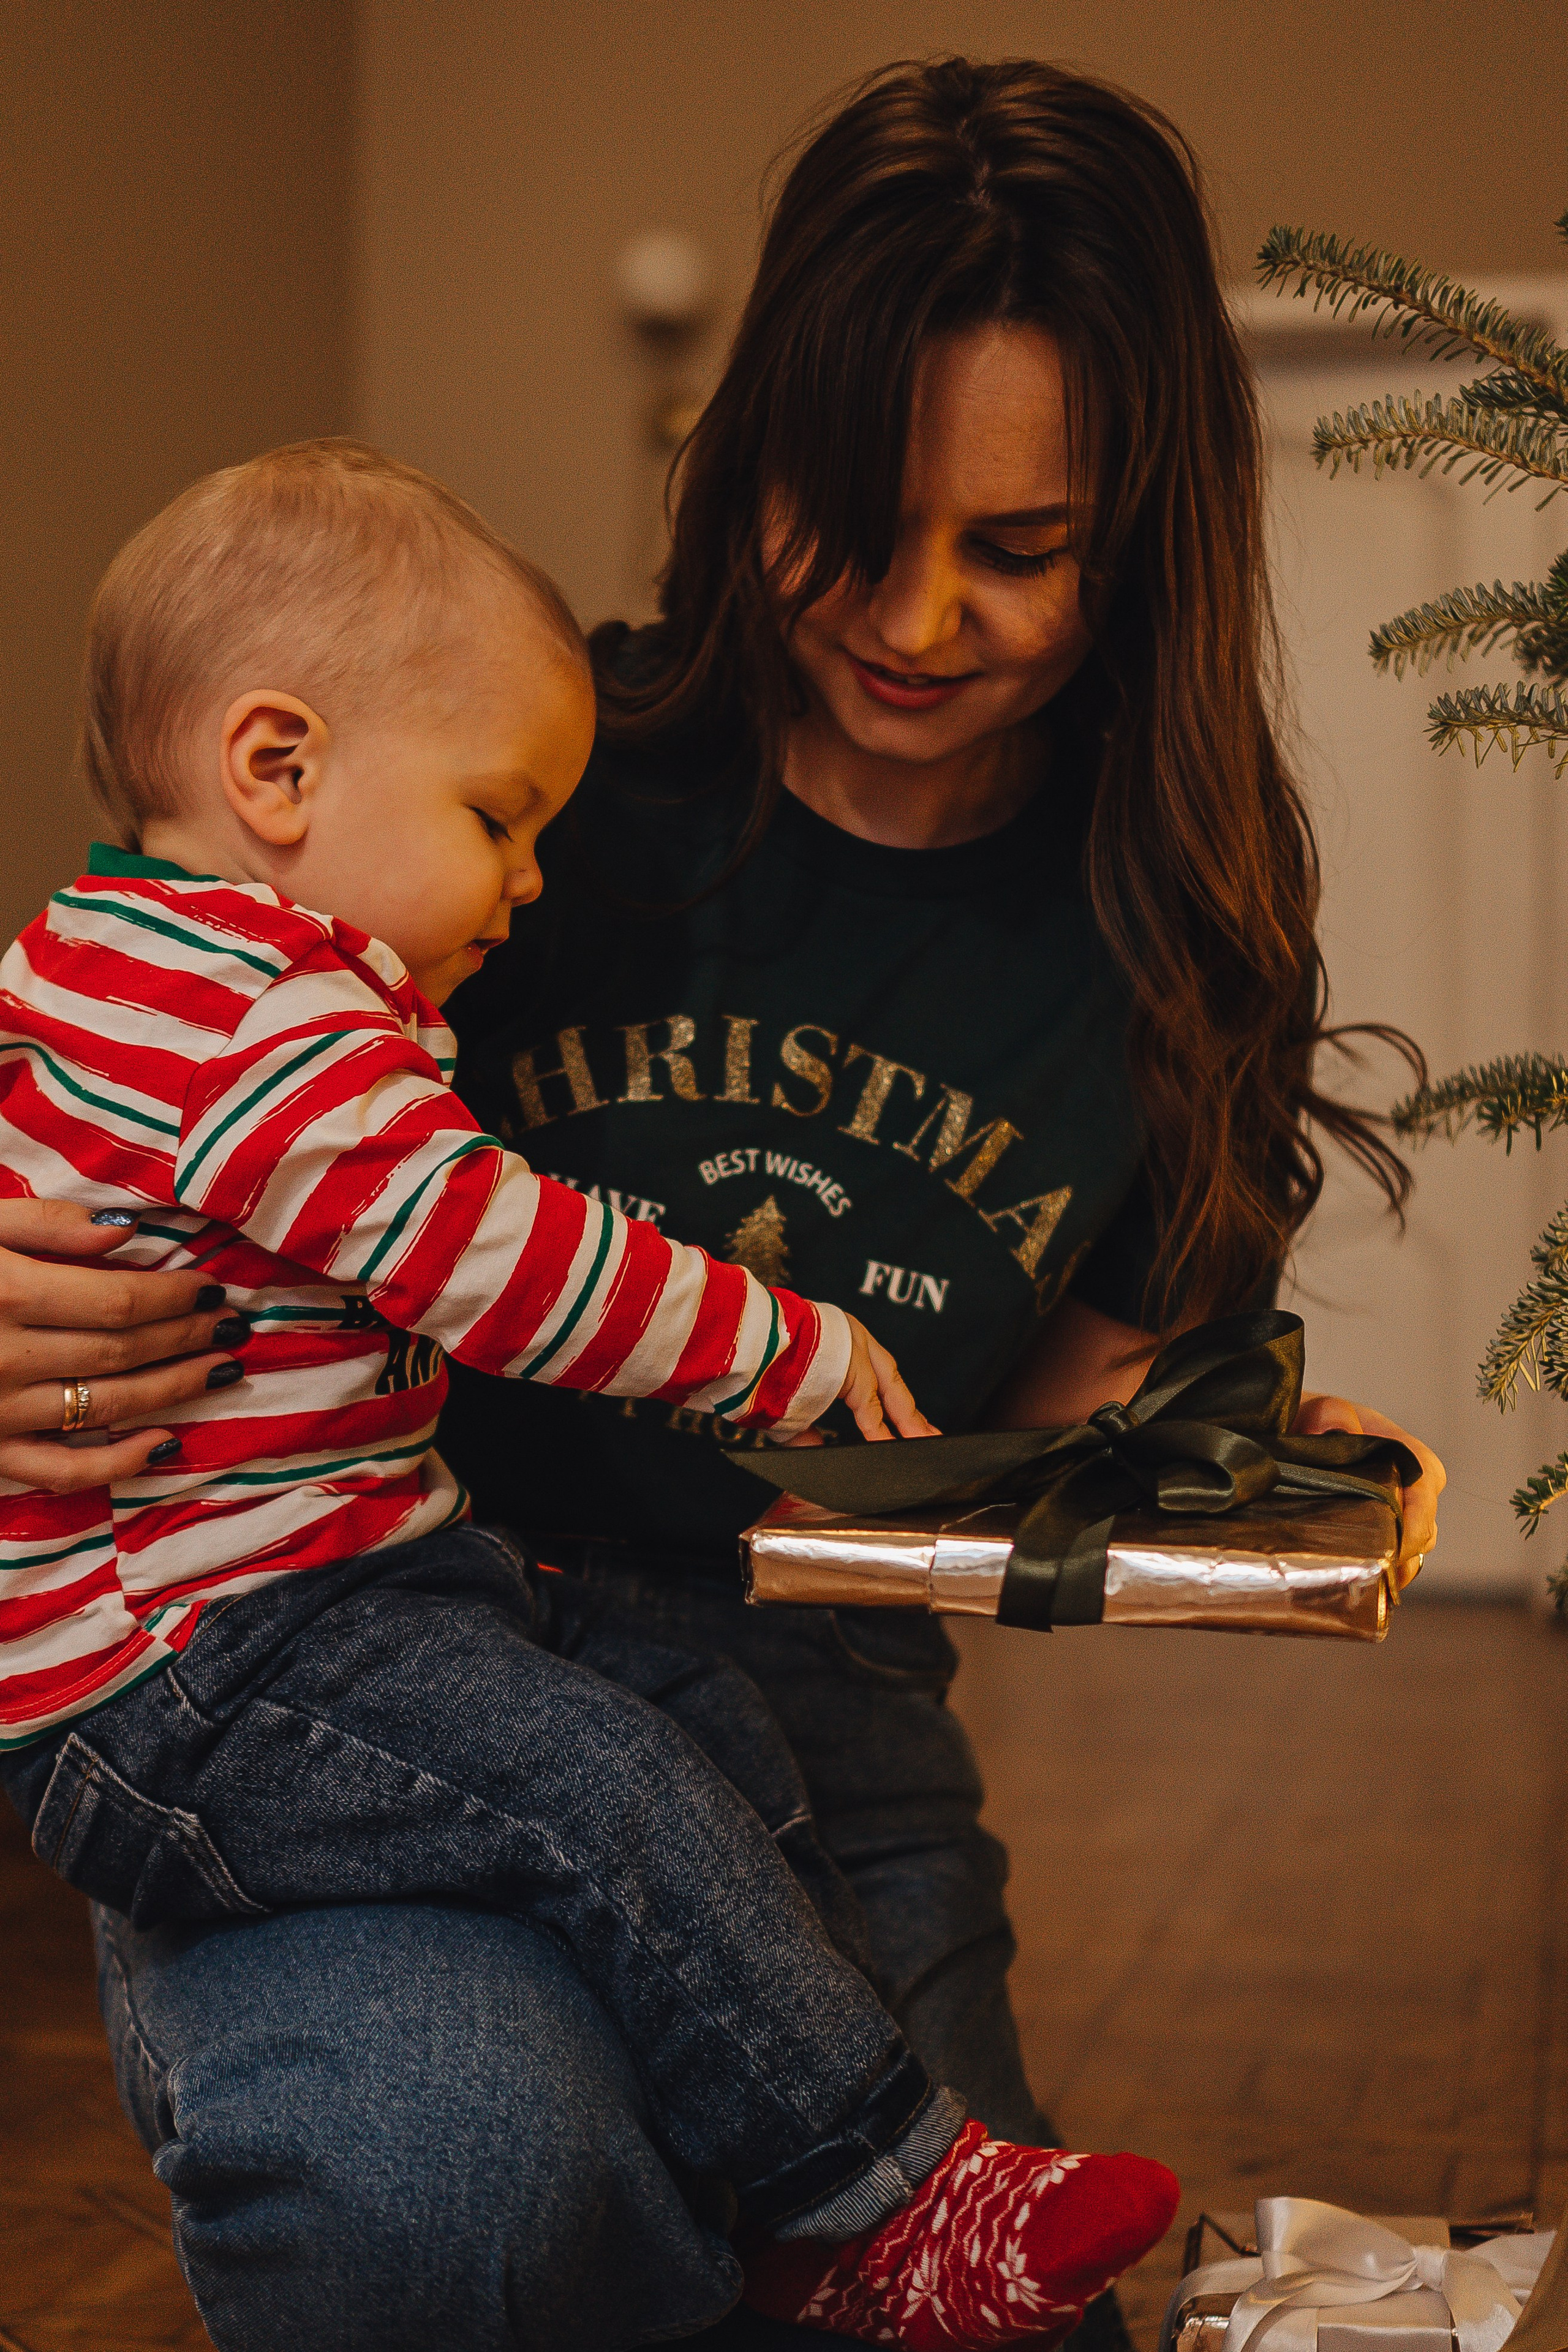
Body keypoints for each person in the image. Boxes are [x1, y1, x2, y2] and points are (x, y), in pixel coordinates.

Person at [0, 58, 1445, 2352]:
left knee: (958, 2286)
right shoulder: (506, 764)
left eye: (1023, 547)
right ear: (741, 442)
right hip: (353, 1648)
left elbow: (1062, 1442)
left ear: (1147, 530)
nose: (916, 613)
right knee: (462, 2192)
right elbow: (137, 1026)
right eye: (846, 511)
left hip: (795, 1708)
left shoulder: (1169, 940)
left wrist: (1216, 1466)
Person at [0, 438, 1185, 2350]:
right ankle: (885, 2202)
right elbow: (499, 1258)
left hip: (361, 1607)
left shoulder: (115, 957)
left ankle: (807, 2172)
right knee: (608, 1794)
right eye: (498, 818)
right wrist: (781, 1344)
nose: (532, 878)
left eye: (1025, 543)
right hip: (216, 1670)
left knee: (694, 1722)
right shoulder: (273, 1020)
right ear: (275, 770)